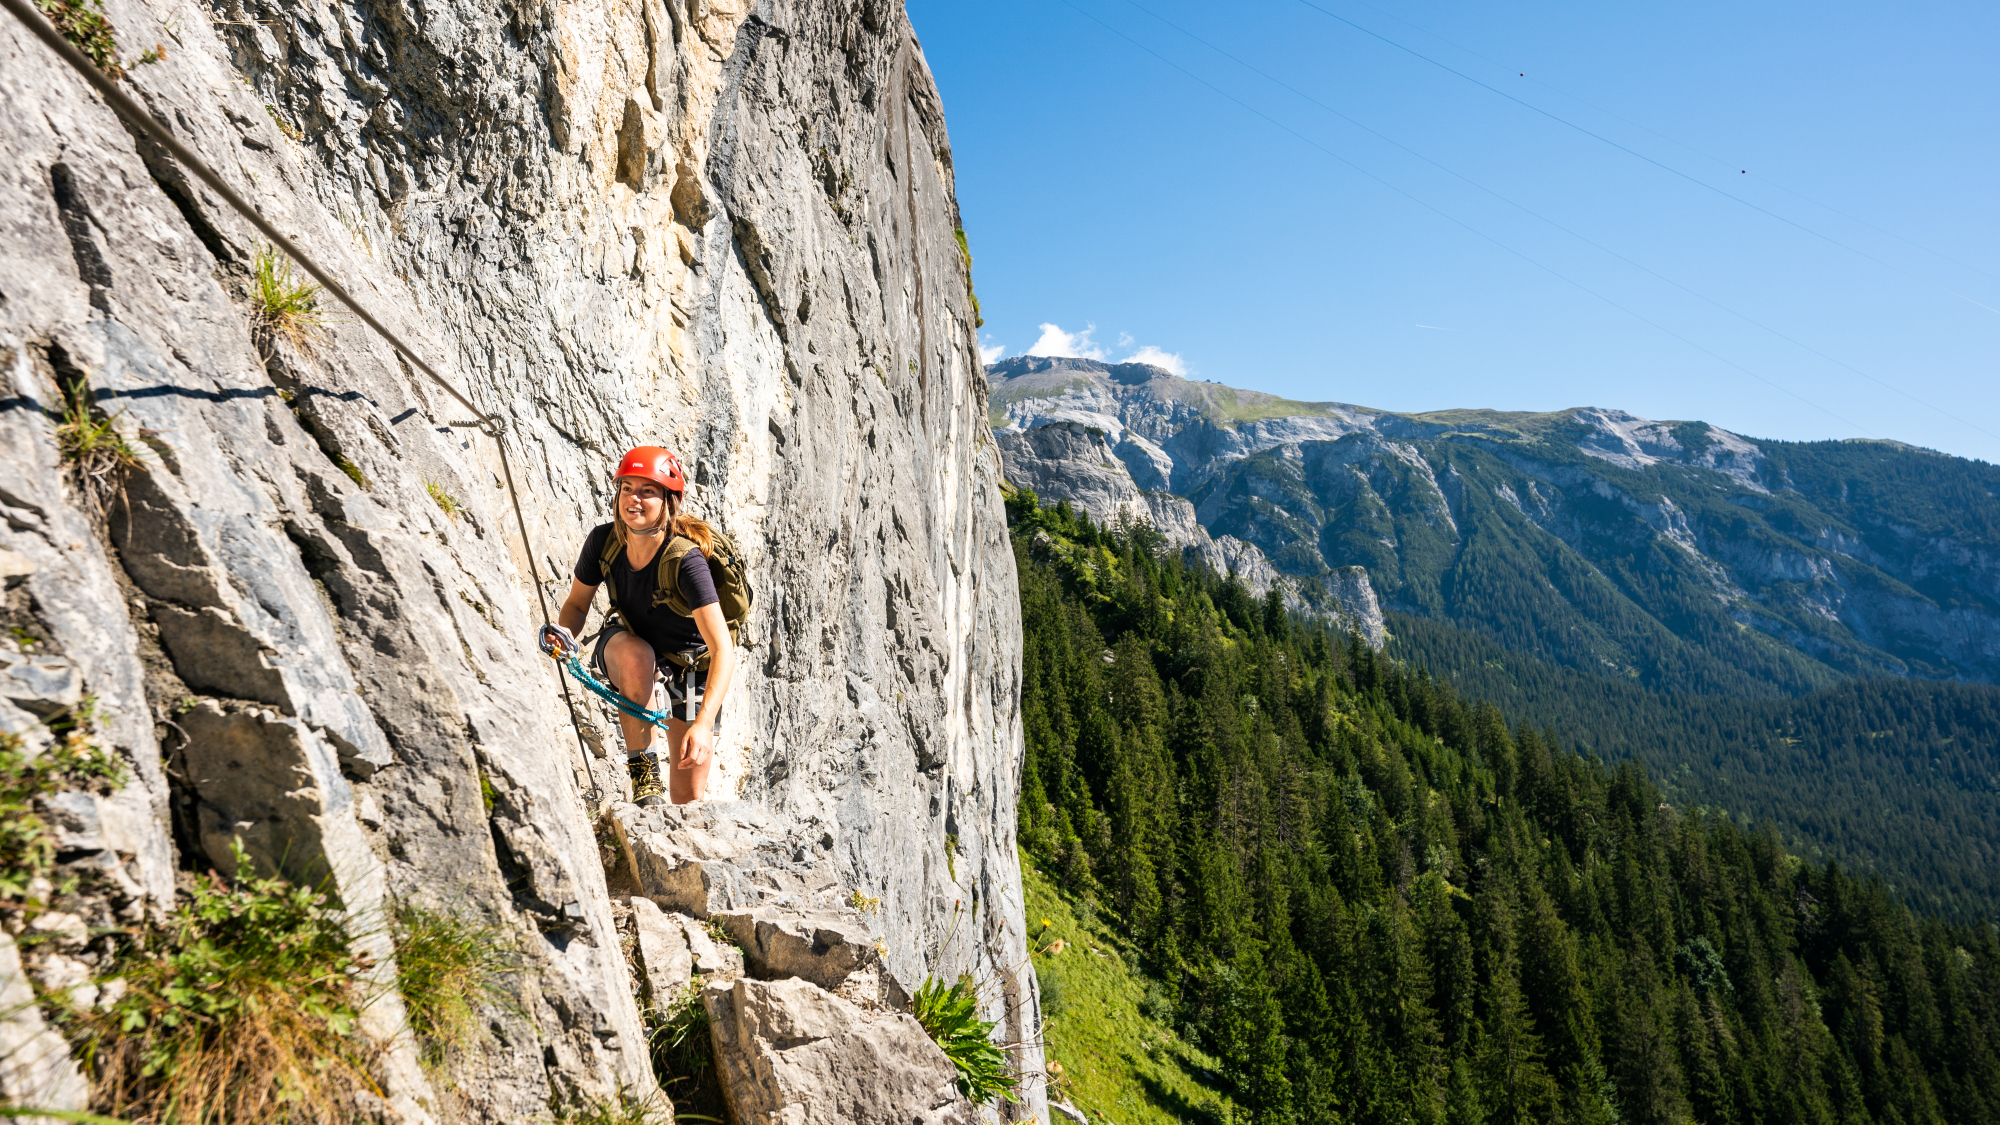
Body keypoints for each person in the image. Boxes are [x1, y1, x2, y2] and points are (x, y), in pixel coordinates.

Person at [550, 447, 735, 804]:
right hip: (630, 646)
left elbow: (722, 649)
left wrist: (703, 724)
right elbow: (576, 604)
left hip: (691, 665)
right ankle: (645, 783)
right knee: (638, 656)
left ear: (668, 501)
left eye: (647, 491)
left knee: (689, 798)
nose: (634, 498)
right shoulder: (603, 542)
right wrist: (565, 636)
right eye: (627, 488)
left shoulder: (686, 561)